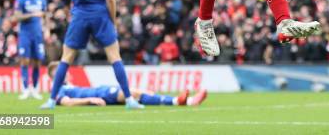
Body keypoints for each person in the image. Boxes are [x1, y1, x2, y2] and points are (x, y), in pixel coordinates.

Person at [40, 0, 143, 109]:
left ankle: (51, 100)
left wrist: (77, 5)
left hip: (79, 13)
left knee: (66, 58)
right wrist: (113, 20)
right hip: (99, 13)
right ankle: (129, 99)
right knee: (114, 56)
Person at [45, 61, 207, 107]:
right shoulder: (57, 89)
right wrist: (90, 100)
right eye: (59, 71)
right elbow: (67, 103)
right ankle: (180, 101)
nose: (65, 72)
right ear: (54, 76)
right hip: (100, 94)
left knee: (140, 92)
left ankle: (184, 101)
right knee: (134, 92)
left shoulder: (69, 86)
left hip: (101, 90)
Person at [14, 0, 47, 100]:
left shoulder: (41, 0)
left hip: (38, 34)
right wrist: (32, 14)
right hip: (25, 34)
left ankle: (35, 89)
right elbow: (17, 16)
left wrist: (47, 30)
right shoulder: (20, 0)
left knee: (38, 61)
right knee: (25, 60)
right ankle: (25, 89)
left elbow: (44, 14)